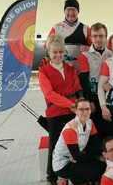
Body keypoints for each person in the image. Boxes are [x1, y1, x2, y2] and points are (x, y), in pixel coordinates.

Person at [38, 35, 82, 184]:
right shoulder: (44, 71)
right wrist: (70, 104)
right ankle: (52, 176)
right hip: (55, 114)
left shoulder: (70, 69)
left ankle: (74, 174)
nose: (58, 55)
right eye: (54, 52)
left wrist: (80, 104)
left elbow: (77, 89)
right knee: (55, 145)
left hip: (72, 112)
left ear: (64, 52)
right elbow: (50, 94)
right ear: (49, 53)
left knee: (74, 144)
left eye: (60, 52)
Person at [53, 98, 106, 184]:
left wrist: (103, 153)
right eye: (81, 109)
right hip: (63, 164)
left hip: (76, 158)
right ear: (76, 111)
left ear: (90, 110)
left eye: (87, 109)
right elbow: (77, 156)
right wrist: (98, 157)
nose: (84, 112)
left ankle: (77, 179)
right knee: (99, 168)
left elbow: (97, 143)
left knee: (102, 164)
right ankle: (68, 179)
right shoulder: (70, 129)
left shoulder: (90, 123)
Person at [77, 22, 113, 139]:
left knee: (110, 129)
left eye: (101, 36)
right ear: (91, 38)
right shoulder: (84, 56)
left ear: (106, 37)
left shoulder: (112, 54)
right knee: (95, 131)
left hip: (110, 97)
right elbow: (83, 80)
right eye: (95, 36)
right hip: (93, 97)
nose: (98, 39)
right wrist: (88, 101)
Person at [47, 0, 91, 67]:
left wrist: (88, 48)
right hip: (62, 68)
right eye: (68, 10)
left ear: (78, 11)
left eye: (73, 10)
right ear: (64, 11)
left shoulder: (86, 28)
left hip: (81, 69)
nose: (71, 12)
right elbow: (47, 47)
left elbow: (93, 48)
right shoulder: (56, 28)